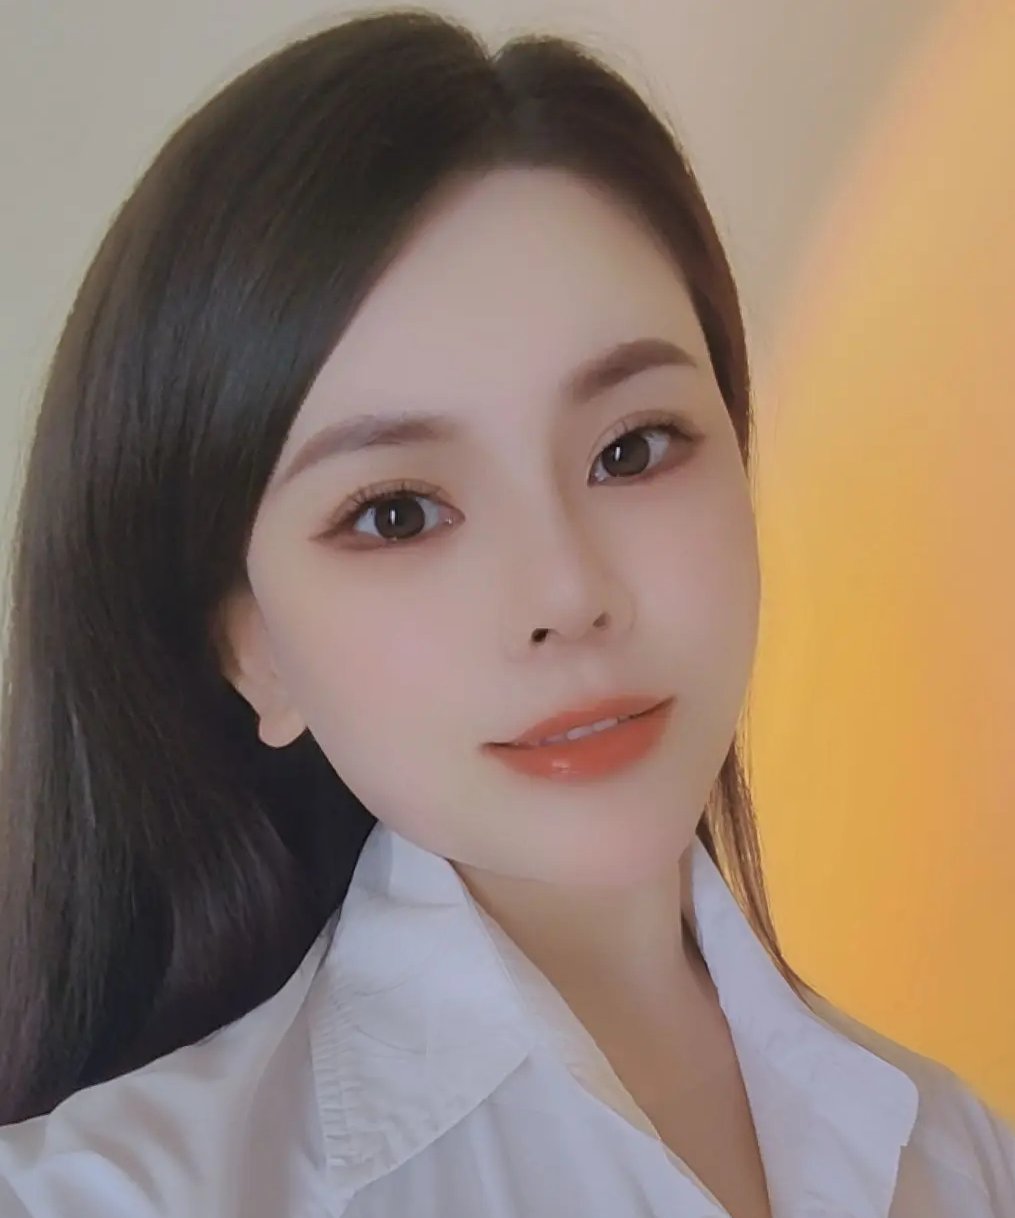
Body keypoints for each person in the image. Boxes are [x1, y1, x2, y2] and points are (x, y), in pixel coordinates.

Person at [0, 8, 1011, 1216]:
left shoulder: (958, 1156)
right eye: (397, 515)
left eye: (632, 449)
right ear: (249, 647)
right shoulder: (104, 1198)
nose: (566, 596)